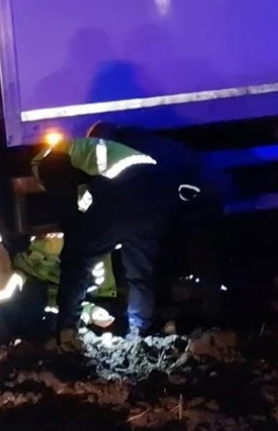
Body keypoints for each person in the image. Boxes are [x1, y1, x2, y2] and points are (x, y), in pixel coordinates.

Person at [33, 129, 189, 346]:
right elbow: (88, 198)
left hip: (123, 194)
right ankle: (140, 331)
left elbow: (68, 210)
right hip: (155, 197)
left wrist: (73, 235)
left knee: (76, 258)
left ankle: (67, 331)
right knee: (140, 272)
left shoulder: (50, 160)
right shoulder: (87, 152)